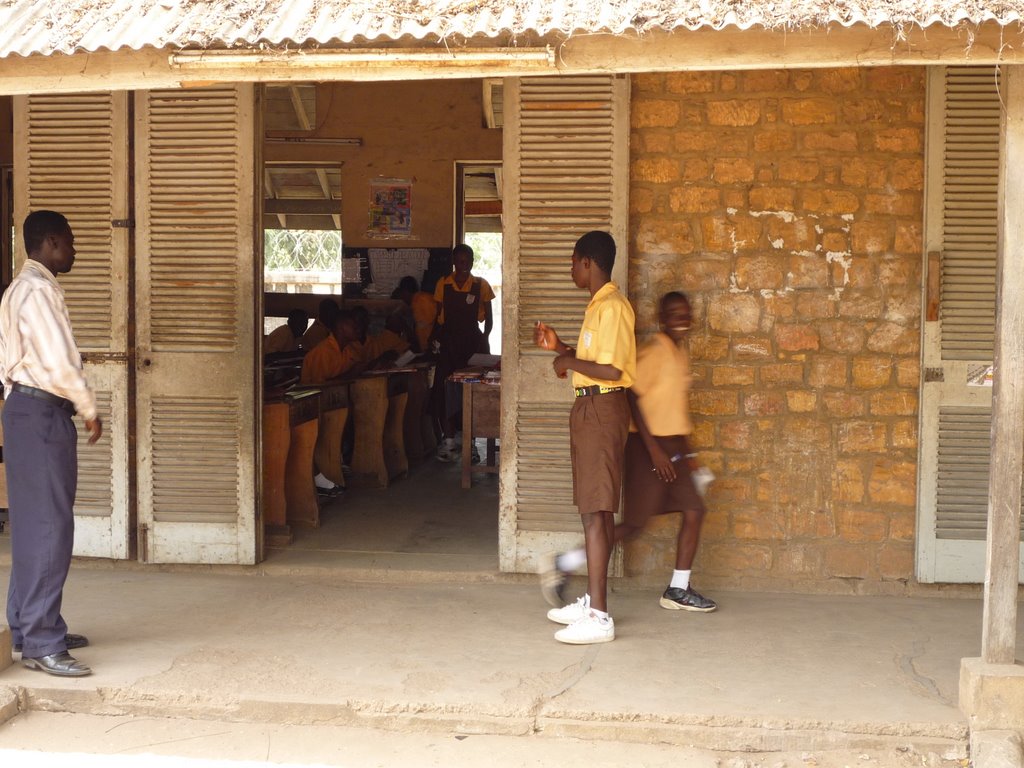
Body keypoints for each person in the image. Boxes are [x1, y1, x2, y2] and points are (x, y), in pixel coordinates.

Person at [541, 291, 717, 618]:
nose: (682, 321)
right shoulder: (654, 353)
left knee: (695, 510)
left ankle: (678, 588)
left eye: (686, 314)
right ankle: (564, 563)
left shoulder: (679, 354)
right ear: (663, 319)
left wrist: (689, 455)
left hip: (674, 450)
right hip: (649, 449)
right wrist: (654, 452)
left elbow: (674, 408)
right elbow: (631, 395)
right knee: (634, 524)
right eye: (675, 315)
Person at [0, 210, 102, 676]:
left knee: (30, 523)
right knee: (49, 528)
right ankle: (42, 641)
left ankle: (28, 626)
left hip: (23, 410)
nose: (75, 251)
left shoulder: (17, 289)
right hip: (42, 413)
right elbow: (60, 362)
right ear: (52, 242)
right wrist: (87, 406)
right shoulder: (39, 292)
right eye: (72, 242)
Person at [533, 230, 635, 645]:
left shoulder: (612, 307)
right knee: (592, 509)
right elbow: (596, 362)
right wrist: (563, 348)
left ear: (588, 263)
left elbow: (613, 372)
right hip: (591, 407)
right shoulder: (598, 307)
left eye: (573, 262)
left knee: (597, 512)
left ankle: (599, 615)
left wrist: (566, 359)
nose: (571, 269)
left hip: (603, 407)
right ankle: (593, 599)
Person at [432, 244, 495, 462]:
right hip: (449, 344)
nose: (463, 265)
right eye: (459, 261)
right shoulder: (443, 284)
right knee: (445, 389)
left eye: (467, 261)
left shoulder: (480, 285)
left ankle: (471, 445)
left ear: (472, 262)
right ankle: (448, 441)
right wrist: (436, 340)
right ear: (454, 262)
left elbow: (489, 318)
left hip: (472, 344)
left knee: (473, 394)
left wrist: (484, 341)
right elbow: (438, 315)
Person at [300, 309, 365, 497]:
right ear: (341, 327)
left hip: (337, 404)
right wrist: (353, 372)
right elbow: (322, 385)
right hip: (314, 406)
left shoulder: (349, 350)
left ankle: (339, 462)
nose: (358, 330)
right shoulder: (323, 351)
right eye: (354, 326)